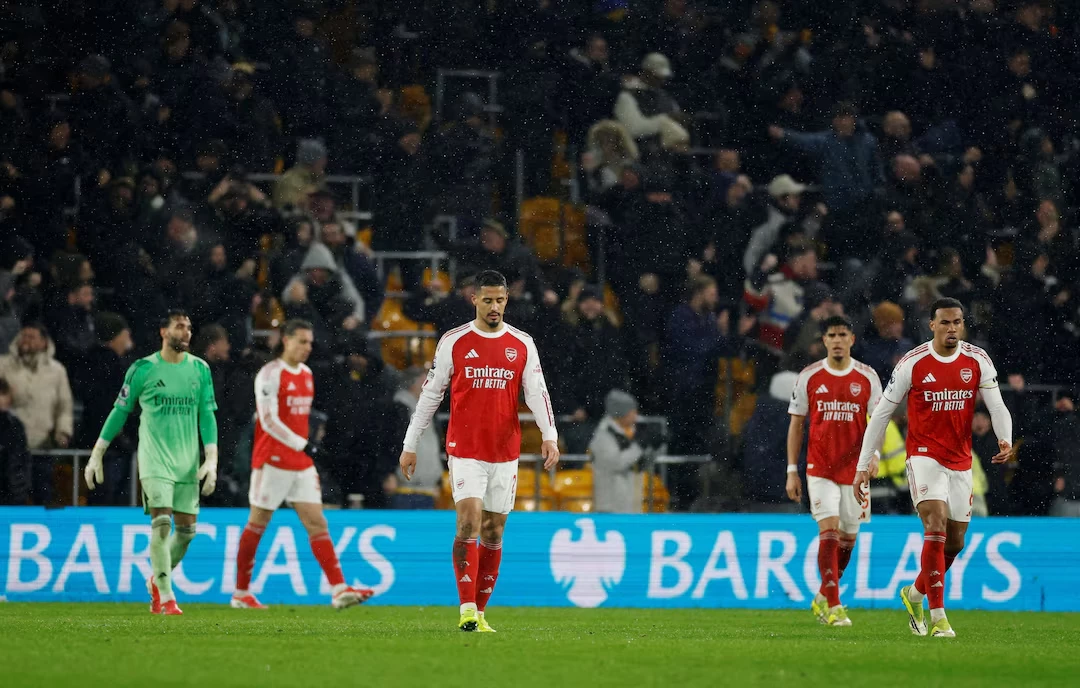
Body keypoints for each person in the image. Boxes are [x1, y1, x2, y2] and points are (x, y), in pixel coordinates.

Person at [398, 269, 560, 632]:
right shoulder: (454, 341)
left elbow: (537, 393)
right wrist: (411, 444)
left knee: (494, 532)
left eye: (500, 300)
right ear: (474, 299)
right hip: (465, 448)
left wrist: (549, 435)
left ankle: (481, 614)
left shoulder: (521, 343)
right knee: (468, 520)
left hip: (505, 451)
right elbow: (430, 395)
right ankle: (467, 608)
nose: (494, 307)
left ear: (506, 300)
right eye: (487, 300)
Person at [856, 297, 1015, 638]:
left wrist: (1005, 438)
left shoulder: (977, 359)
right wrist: (863, 461)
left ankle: (914, 594)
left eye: (957, 322)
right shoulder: (912, 363)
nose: (952, 328)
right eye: (944, 322)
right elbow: (882, 413)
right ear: (932, 325)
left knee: (955, 544)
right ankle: (939, 616)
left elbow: (997, 404)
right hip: (924, 455)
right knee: (935, 522)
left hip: (960, 460)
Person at [83, 310, 219, 616]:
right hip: (154, 459)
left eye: (189, 327)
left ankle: (156, 580)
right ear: (163, 331)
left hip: (187, 461)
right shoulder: (142, 369)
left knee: (186, 533)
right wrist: (97, 452)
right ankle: (167, 596)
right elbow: (120, 411)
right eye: (179, 327)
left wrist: (211, 457)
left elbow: (207, 415)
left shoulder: (200, 369)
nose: (186, 332)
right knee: (160, 524)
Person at [231, 319, 373, 610]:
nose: (308, 347)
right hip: (272, 460)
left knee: (317, 523)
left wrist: (304, 447)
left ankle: (338, 589)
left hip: (300, 462)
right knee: (257, 523)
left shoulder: (307, 374)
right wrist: (302, 443)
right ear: (286, 340)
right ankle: (241, 593)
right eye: (302, 341)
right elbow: (268, 420)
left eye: (310, 342)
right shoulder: (270, 374)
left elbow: (298, 419)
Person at [787, 315, 882, 626]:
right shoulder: (809, 377)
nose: (838, 340)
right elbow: (796, 425)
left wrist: (875, 454)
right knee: (828, 531)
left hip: (856, 472)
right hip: (820, 467)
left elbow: (878, 422)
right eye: (832, 335)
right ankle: (835, 605)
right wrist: (792, 469)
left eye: (843, 334)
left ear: (852, 339)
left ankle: (822, 597)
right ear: (824, 340)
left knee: (848, 540)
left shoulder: (867, 377)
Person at [590, 389, 644, 514]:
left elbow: (639, 464)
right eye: (632, 412)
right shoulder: (604, 435)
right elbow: (616, 463)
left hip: (628, 503)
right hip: (610, 505)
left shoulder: (628, 432)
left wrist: (652, 448)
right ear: (622, 413)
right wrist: (639, 447)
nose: (636, 416)